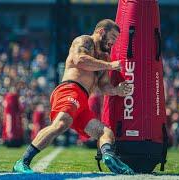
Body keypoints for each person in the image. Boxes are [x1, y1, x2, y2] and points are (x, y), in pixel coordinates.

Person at [13, 19, 135, 174]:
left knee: (105, 132)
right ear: (101, 32)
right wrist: (110, 66)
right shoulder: (85, 41)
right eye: (112, 37)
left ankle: (109, 158)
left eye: (116, 39)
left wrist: (117, 90)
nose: (114, 42)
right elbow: (80, 60)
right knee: (61, 124)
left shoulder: (105, 58)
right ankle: (22, 162)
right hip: (69, 90)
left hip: (82, 101)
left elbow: (103, 86)